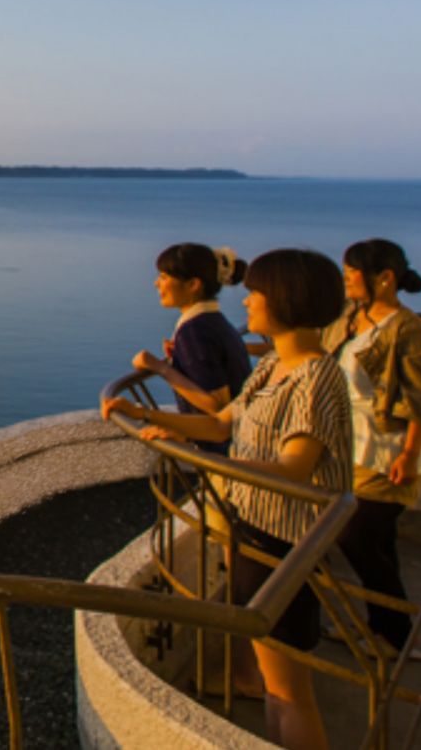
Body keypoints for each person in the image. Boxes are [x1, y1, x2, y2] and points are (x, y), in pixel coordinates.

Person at [104, 248, 351, 750]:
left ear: (286, 299)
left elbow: (292, 470)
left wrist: (205, 458)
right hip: (255, 530)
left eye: (256, 293)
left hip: (284, 547)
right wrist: (154, 419)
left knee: (287, 691)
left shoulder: (316, 377)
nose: (247, 302)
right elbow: (220, 422)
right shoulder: (276, 365)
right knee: (274, 683)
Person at [327, 238, 421, 660]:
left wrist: (409, 455)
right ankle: (387, 631)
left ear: (385, 278)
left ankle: (394, 633)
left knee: (353, 536)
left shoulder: (410, 332)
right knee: (378, 542)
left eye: (351, 274)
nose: (345, 282)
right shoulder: (352, 317)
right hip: (351, 450)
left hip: (387, 453)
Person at [130, 243, 253, 454]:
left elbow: (217, 406)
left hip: (225, 453)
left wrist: (161, 368)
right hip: (241, 440)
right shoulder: (214, 320)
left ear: (193, 284)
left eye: (165, 277)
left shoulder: (194, 331)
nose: (156, 283)